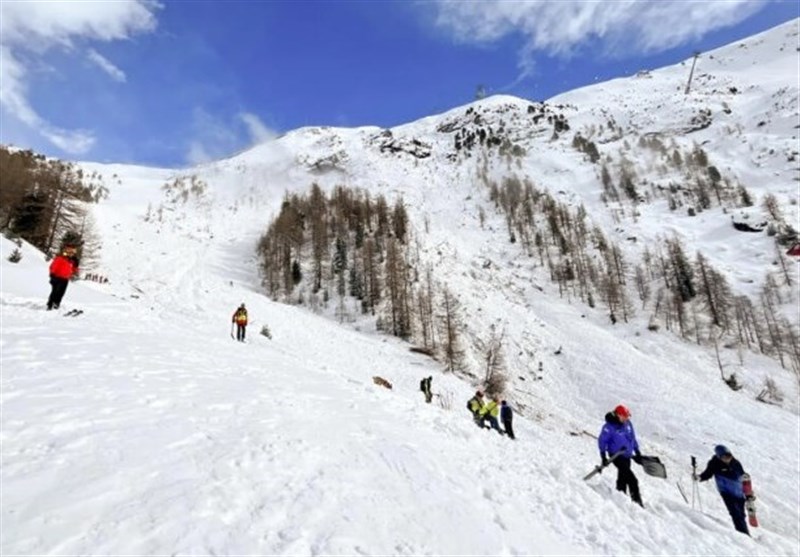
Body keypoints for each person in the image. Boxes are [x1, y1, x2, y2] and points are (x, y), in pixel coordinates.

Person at [696, 445, 750, 536]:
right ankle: (743, 535)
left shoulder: (736, 463)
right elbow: (707, 473)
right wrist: (700, 477)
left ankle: (744, 533)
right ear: (719, 456)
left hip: (738, 492)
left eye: (729, 456)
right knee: (735, 513)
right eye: (724, 457)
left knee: (741, 514)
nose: (727, 459)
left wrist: (748, 494)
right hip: (726, 492)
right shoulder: (714, 464)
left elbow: (743, 477)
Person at [598, 404, 643, 507]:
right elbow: (602, 441)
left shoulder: (628, 424)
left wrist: (637, 451)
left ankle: (620, 497)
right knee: (633, 480)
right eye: (624, 416)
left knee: (623, 478)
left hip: (627, 455)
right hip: (616, 455)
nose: (626, 419)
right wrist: (603, 456)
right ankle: (638, 504)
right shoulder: (609, 427)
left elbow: (632, 438)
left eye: (627, 416)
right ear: (617, 415)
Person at [47, 245, 79, 310]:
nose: (71, 253)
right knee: (55, 291)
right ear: (66, 251)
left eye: (72, 252)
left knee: (61, 292)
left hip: (65, 279)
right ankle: (50, 304)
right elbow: (53, 266)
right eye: (69, 251)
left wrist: (76, 265)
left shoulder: (72, 261)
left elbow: (73, 271)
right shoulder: (60, 258)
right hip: (57, 277)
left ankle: (56, 303)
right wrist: (52, 274)